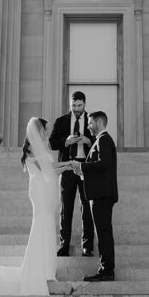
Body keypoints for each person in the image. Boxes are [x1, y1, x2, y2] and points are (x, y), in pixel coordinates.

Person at [0, 117, 63, 295]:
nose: (48, 132)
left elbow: (50, 168)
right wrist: (69, 165)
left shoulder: (39, 147)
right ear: (39, 130)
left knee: (47, 223)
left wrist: (66, 166)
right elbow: (47, 168)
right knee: (42, 223)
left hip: (41, 187)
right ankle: (40, 268)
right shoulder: (32, 148)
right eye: (46, 129)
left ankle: (46, 268)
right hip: (38, 190)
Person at [68, 110, 118, 282]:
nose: (88, 126)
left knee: (103, 233)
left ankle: (106, 270)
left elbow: (103, 164)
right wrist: (82, 172)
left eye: (90, 123)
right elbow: (100, 167)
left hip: (102, 195)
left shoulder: (103, 140)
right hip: (100, 194)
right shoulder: (101, 141)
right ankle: (105, 269)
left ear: (98, 122)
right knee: (103, 233)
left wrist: (82, 167)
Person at [48, 91, 94, 257]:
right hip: (67, 168)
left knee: (87, 209)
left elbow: (98, 142)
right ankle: (64, 246)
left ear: (85, 104)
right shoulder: (61, 121)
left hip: (85, 168)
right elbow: (51, 143)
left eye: (79, 106)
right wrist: (66, 141)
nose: (76, 109)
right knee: (65, 208)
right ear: (70, 104)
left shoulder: (91, 120)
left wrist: (88, 141)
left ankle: (87, 246)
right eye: (73, 105)